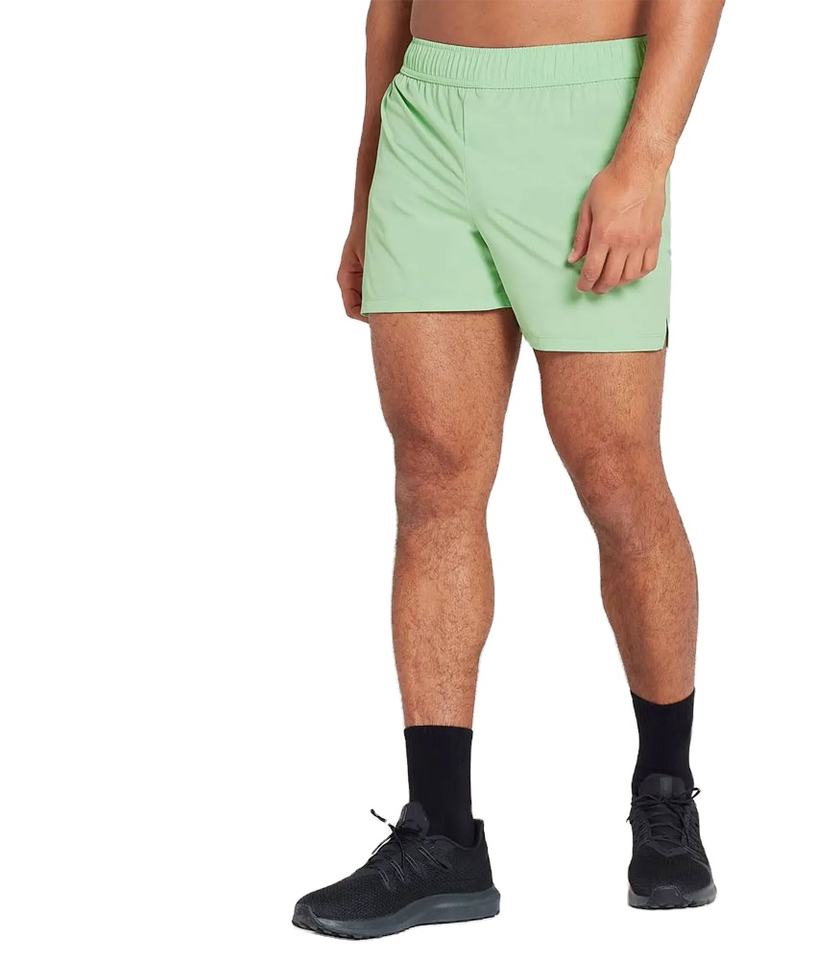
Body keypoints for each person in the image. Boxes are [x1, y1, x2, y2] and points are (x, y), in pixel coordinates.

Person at [293, 0, 725, 938]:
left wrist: (646, 158)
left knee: (614, 473)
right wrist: (367, 182)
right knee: (432, 475)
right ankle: (442, 833)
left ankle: (665, 790)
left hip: (586, 111)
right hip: (428, 114)